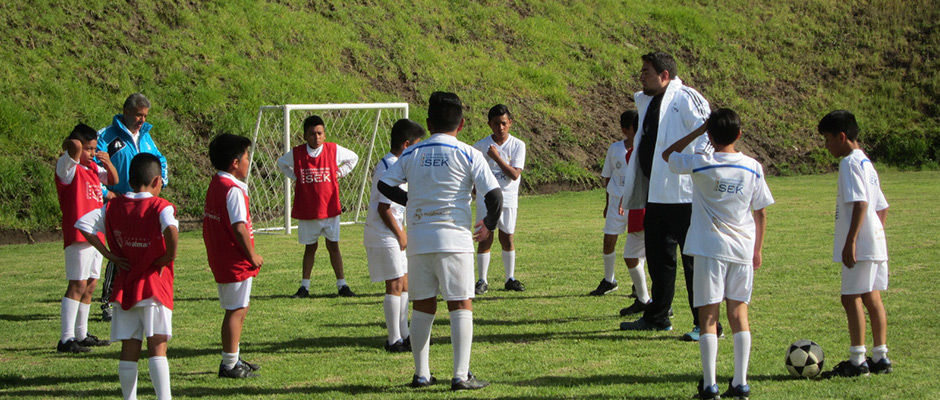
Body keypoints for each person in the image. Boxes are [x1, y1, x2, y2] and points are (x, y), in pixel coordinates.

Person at [379, 91, 502, 391]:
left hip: (419, 239)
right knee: (460, 304)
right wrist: (488, 225)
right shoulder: (469, 153)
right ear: (461, 125)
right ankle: (461, 375)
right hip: (454, 239)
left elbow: (385, 184)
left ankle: (422, 374)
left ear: (429, 122)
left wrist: (411, 200)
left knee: (422, 306)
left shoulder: (411, 153)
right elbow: (495, 195)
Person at [662, 109, 773, 399]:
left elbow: (667, 155)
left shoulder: (702, 162)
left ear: (710, 135)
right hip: (742, 249)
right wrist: (757, 249)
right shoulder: (752, 166)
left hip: (709, 249)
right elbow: (760, 212)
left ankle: (710, 385)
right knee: (739, 313)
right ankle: (740, 383)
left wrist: (697, 133)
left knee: (708, 315)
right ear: (739, 134)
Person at [619, 51, 718, 341]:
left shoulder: (687, 97)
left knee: (693, 261)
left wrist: (697, 168)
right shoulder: (647, 101)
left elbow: (708, 133)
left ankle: (707, 324)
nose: (641, 76)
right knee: (658, 258)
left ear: (665, 75)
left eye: (646, 71)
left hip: (685, 196)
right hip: (656, 193)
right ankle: (658, 316)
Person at [76, 153, 178, 400]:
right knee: (157, 346)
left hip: (126, 286)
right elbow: (172, 230)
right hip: (155, 286)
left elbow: (82, 224)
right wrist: (168, 256)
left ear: (130, 181)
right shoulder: (160, 205)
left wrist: (108, 254)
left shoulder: (112, 206)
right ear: (156, 181)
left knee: (129, 347)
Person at [817, 110, 892, 378]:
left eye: (827, 139)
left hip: (861, 242)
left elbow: (861, 203)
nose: (826, 146)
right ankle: (881, 357)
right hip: (875, 240)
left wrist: (852, 241)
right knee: (872, 296)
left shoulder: (849, 163)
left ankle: (858, 360)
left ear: (842, 137)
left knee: (850, 298)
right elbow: (881, 207)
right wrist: (874, 234)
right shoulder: (866, 163)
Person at [97, 93, 169, 321]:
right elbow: (91, 171)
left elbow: (160, 161)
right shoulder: (106, 137)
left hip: (146, 205)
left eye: (145, 115)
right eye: (138, 115)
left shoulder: (147, 137)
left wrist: (161, 181)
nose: (141, 120)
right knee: (120, 251)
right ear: (126, 112)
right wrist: (106, 194)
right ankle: (109, 301)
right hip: (120, 204)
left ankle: (141, 293)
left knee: (142, 248)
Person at [276, 115, 360, 298]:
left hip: (329, 209)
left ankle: (342, 285)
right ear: (305, 135)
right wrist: (296, 176)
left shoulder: (333, 150)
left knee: (333, 246)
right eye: (312, 134)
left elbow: (354, 158)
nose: (317, 137)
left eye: (320, 133)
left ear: (324, 134)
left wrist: (339, 173)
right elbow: (281, 163)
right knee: (310, 248)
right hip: (308, 211)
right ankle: (304, 286)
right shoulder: (297, 153)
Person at [203, 134, 264, 378]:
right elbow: (239, 227)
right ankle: (229, 364)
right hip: (234, 259)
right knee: (236, 310)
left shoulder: (216, 183)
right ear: (235, 163)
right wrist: (252, 256)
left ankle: (234, 356)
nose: (250, 162)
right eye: (247, 157)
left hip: (222, 256)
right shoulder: (232, 190)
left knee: (238, 308)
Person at [54, 123, 118, 352]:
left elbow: (112, 179)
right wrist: (76, 144)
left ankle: (81, 333)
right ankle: (66, 338)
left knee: (90, 284)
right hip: (79, 234)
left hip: (95, 234)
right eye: (88, 149)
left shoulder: (91, 169)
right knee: (77, 283)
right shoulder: (68, 167)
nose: (91, 153)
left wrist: (107, 161)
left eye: (94, 149)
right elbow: (73, 145)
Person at [363, 119, 426, 352]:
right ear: (406, 145)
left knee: (405, 283)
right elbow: (384, 208)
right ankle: (393, 339)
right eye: (416, 145)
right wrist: (400, 234)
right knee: (394, 284)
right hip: (383, 233)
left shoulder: (400, 165)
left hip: (395, 232)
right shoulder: (388, 167)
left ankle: (405, 333)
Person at [592, 111, 650, 318]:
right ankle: (610, 280)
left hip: (637, 205)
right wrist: (609, 203)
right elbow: (608, 176)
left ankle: (639, 288)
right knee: (609, 241)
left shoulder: (645, 149)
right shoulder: (615, 149)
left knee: (636, 247)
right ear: (625, 130)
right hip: (617, 202)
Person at [473, 104, 527, 294]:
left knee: (507, 237)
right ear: (489, 124)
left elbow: (514, 174)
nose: (500, 128)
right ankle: (482, 280)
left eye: (504, 123)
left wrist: (496, 157)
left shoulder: (518, 145)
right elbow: (474, 176)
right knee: (485, 238)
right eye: (496, 124)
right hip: (486, 199)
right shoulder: (479, 147)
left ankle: (509, 278)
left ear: (510, 123)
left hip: (509, 199)